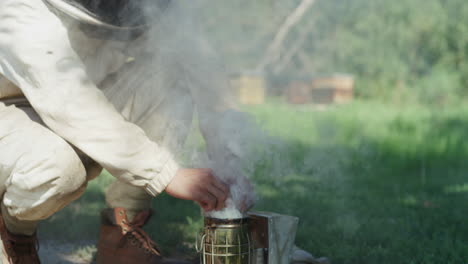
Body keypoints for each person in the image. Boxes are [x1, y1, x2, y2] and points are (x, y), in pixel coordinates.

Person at [0, 0, 253, 263]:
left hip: (75, 98)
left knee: (170, 78)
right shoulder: (20, 7)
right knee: (58, 165)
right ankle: (15, 233)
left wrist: (228, 160)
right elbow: (69, 101)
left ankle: (122, 231)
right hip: (11, 107)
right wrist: (165, 173)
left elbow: (199, 63)